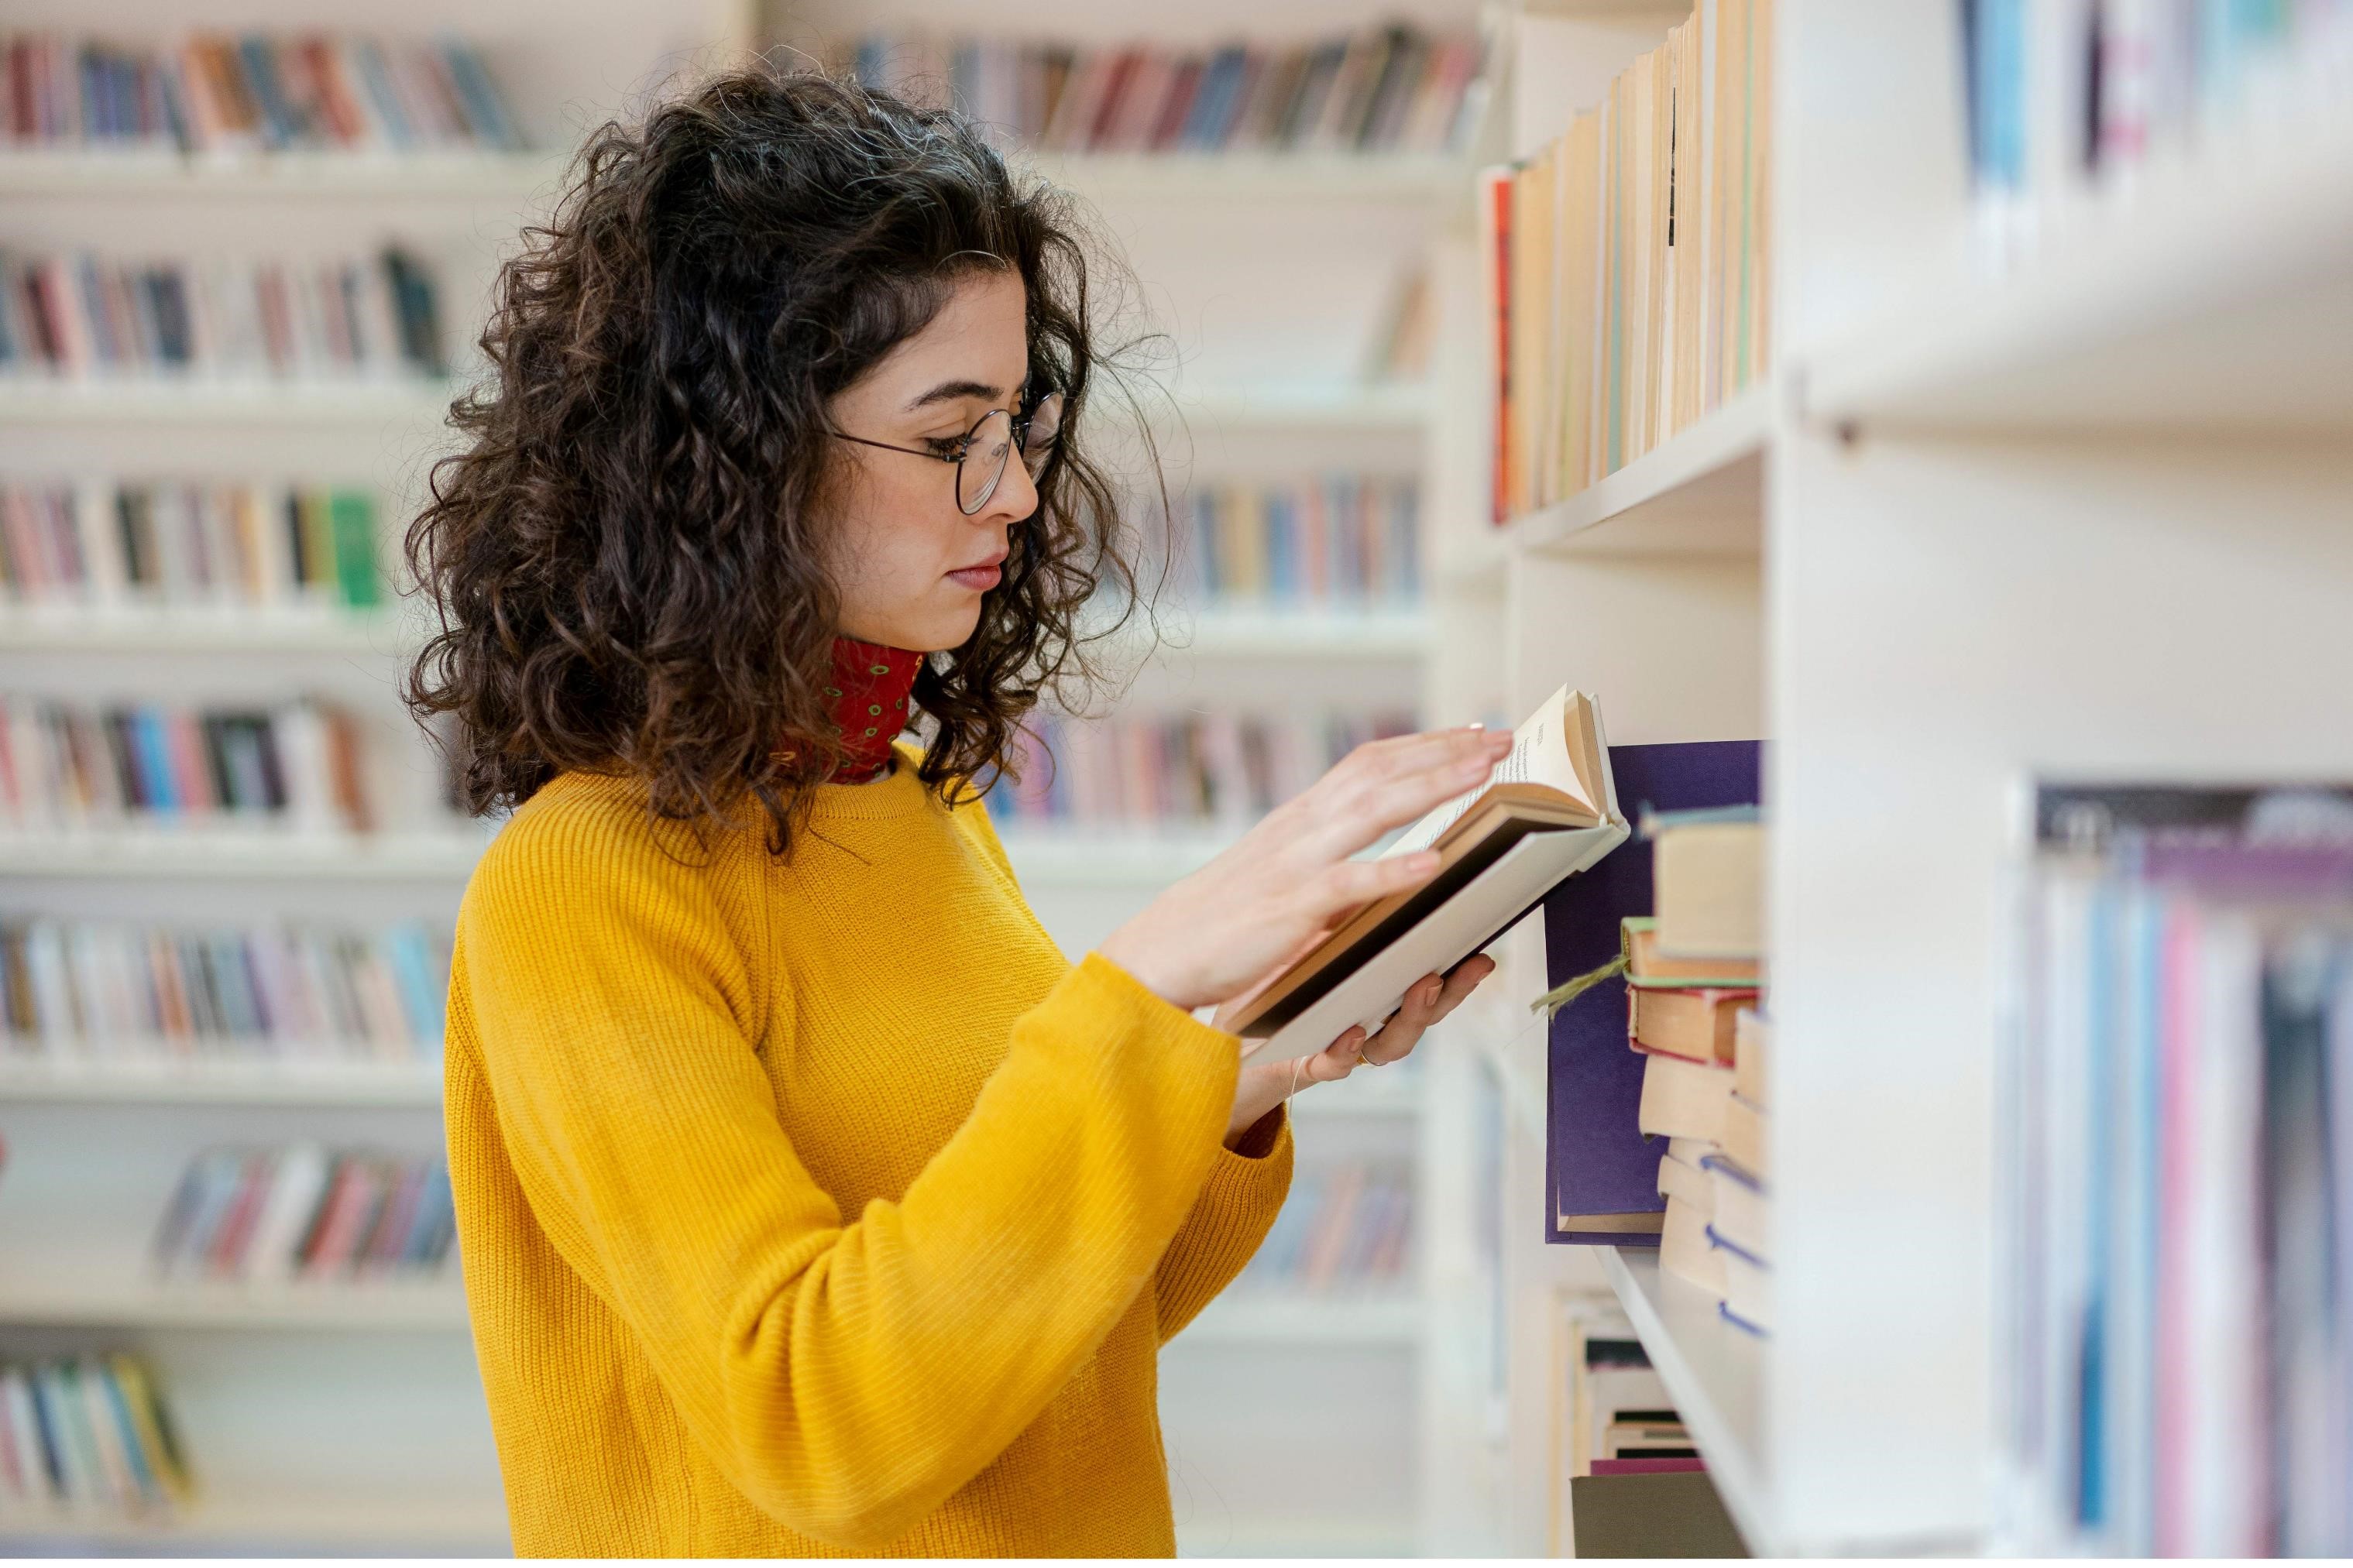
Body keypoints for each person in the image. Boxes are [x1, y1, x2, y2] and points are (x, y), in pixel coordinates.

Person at [406, 66, 1501, 1557]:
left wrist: (1232, 1074)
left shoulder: (913, 802)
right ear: (734, 454)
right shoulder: (581, 887)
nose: (1016, 497)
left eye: (1020, 427)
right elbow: (816, 1421)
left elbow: (1038, 1351)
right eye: (947, 437)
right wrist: (1141, 988)